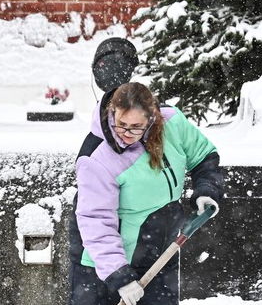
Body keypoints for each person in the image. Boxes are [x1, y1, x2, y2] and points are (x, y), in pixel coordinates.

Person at [68, 81, 224, 305]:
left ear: (152, 118)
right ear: (112, 111)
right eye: (121, 124)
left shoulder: (172, 123)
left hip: (162, 253)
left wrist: (207, 189)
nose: (126, 133)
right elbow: (96, 220)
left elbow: (204, 155)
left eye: (136, 126)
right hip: (104, 267)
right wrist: (120, 276)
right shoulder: (97, 158)